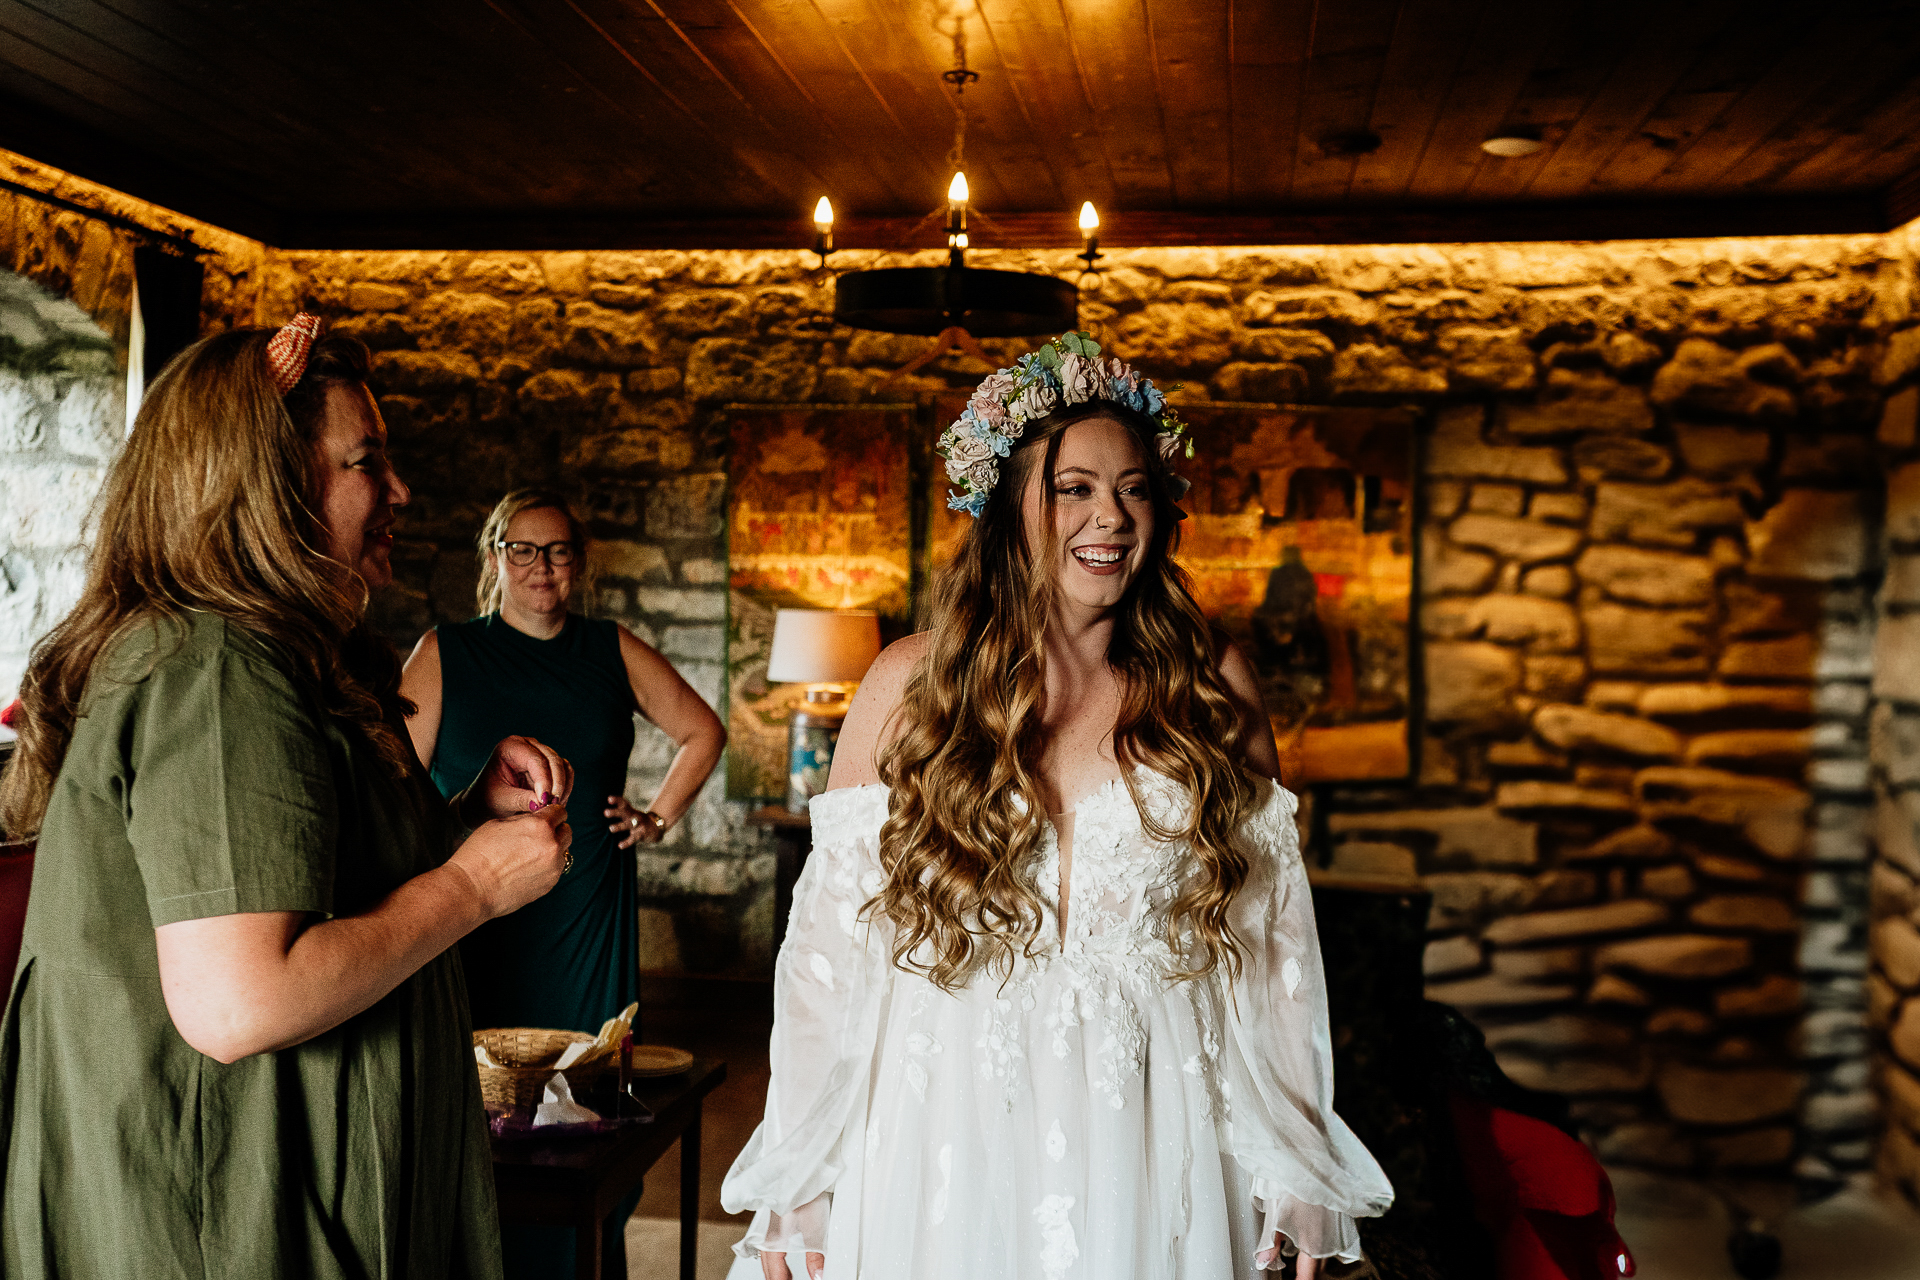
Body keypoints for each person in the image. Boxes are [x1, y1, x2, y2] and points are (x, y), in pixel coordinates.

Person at [721, 333, 1393, 1280]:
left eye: (1133, 488)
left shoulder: (1213, 687)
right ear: (1011, 508)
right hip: (941, 1140)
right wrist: (799, 1185)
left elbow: (1272, 949)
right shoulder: (910, 687)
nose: (1109, 516)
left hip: (1160, 1139)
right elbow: (828, 967)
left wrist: (1298, 1166)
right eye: (1074, 487)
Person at [0, 317, 574, 1279]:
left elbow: (316, 869)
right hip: (214, 1212)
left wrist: (465, 820)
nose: (397, 491)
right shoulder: (216, 668)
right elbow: (240, 999)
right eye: (366, 463)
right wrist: (472, 888)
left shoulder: (289, 653)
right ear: (270, 489)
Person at [399, 488, 725, 1278]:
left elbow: (701, 729)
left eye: (558, 551)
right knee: (479, 1110)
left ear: (578, 562)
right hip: (478, 915)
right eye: (523, 550)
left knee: (588, 1108)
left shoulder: (610, 648)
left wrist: (656, 817)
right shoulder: (445, 652)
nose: (541, 567)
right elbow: (398, 784)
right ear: (494, 558)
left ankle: (587, 1261)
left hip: (587, 905)